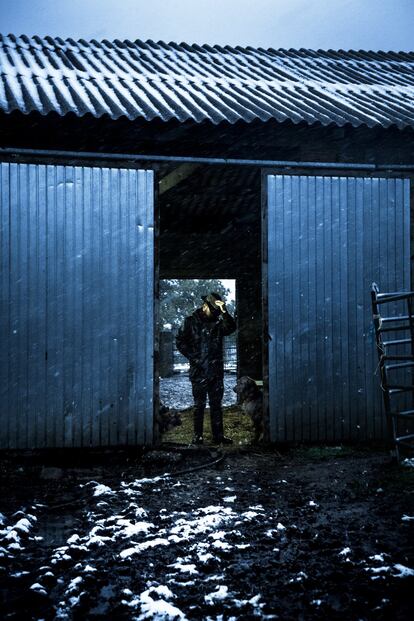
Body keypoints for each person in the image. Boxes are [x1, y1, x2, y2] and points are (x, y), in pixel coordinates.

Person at [176, 292, 236, 445]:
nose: (216, 313)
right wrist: (194, 357)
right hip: (199, 371)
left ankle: (218, 436)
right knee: (199, 405)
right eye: (214, 309)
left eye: (217, 311)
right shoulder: (189, 322)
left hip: (215, 372)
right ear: (204, 306)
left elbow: (231, 327)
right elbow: (180, 341)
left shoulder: (218, 323)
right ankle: (198, 437)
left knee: (216, 405)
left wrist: (224, 311)